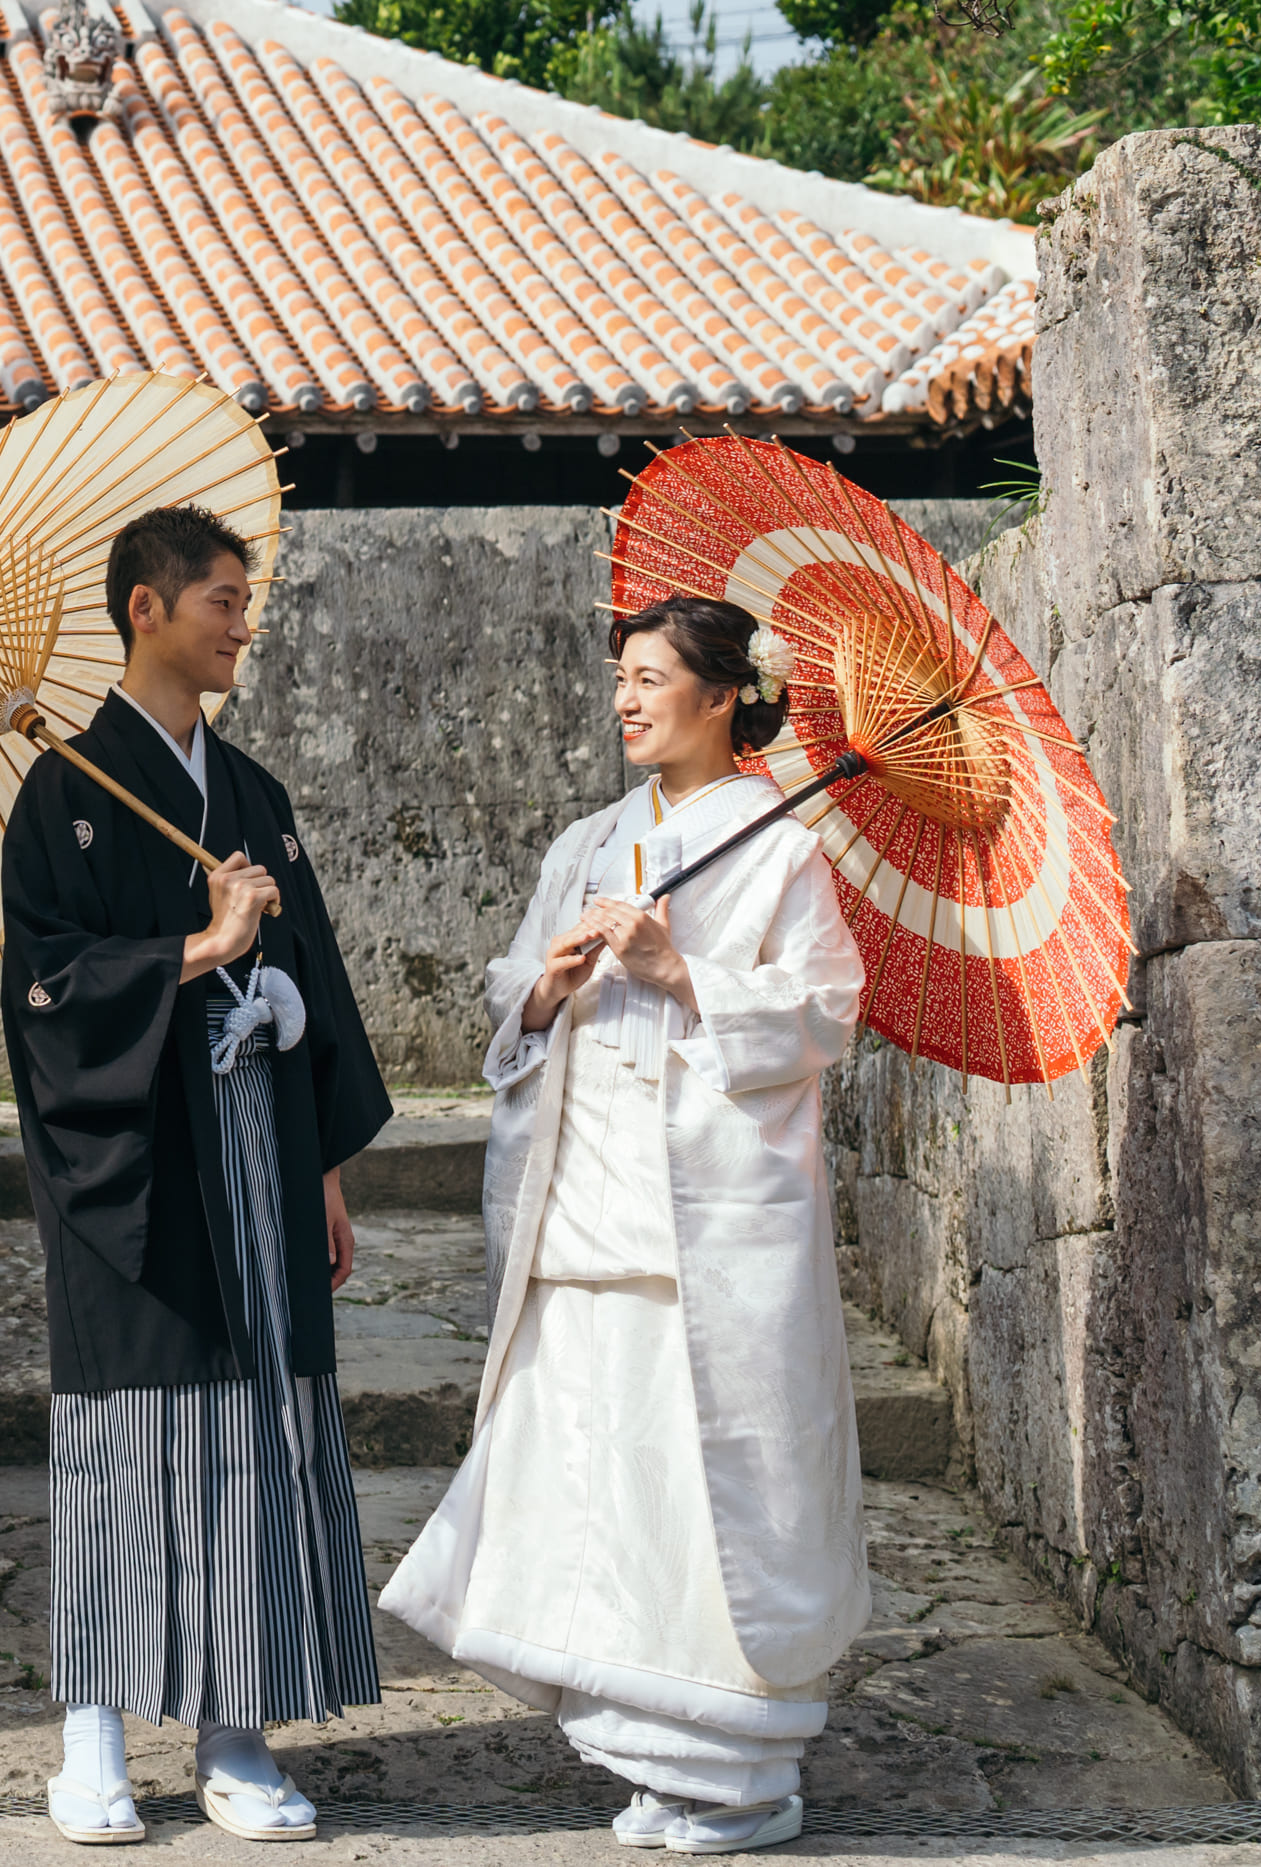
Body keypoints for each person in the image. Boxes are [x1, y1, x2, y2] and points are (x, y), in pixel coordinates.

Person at [380, 593, 869, 1857]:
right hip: (583, 1211)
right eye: (621, 679)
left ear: (724, 695)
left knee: (709, 1501)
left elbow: (826, 1014)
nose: (627, 700)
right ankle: (651, 1756)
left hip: (706, 1229)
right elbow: (511, 989)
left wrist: (678, 971)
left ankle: (745, 1778)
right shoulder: (591, 842)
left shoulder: (779, 848)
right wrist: (544, 986)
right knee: (599, 1490)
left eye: (654, 678)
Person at [0, 503, 396, 1845]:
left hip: (261, 1162)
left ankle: (237, 1728)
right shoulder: (63, 792)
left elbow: (318, 985)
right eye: (224, 597)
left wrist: (324, 1168)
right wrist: (201, 944)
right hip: (135, 1167)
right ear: (146, 608)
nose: (245, 620)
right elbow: (46, 994)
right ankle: (92, 1730)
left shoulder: (258, 798)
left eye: (246, 597)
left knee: (253, 1436)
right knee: (128, 1436)